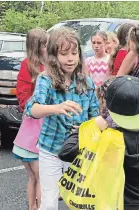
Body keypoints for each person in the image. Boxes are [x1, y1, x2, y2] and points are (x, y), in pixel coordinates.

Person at [58, 76, 139, 210]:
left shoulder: (105, 140)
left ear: (109, 106)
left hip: (108, 204)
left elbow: (65, 152)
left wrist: (93, 125)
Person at [25, 28, 99, 210]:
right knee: (49, 201)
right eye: (64, 53)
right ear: (53, 55)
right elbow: (32, 109)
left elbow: (95, 115)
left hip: (78, 150)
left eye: (74, 53)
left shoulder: (87, 83)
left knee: (80, 200)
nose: (70, 59)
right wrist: (56, 108)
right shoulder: (46, 79)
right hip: (50, 149)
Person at [13, 27, 48, 210]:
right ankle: (35, 207)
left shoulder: (47, 64)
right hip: (35, 127)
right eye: (45, 44)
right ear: (37, 46)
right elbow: (23, 99)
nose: (48, 47)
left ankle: (33, 207)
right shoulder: (29, 66)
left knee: (35, 176)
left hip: (32, 128)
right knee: (39, 176)